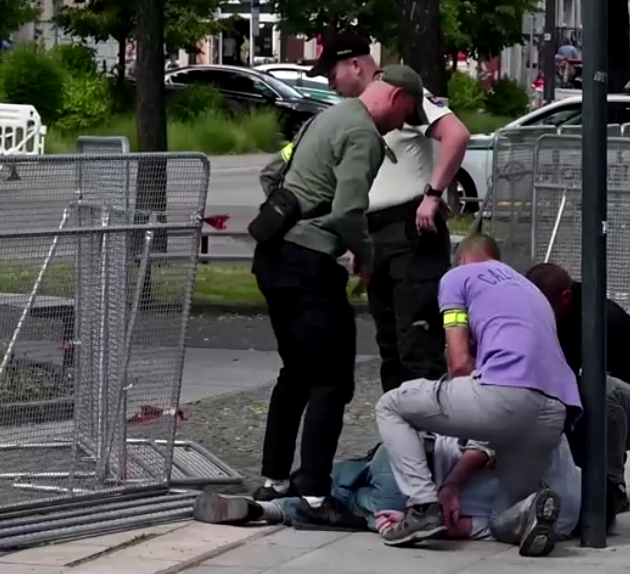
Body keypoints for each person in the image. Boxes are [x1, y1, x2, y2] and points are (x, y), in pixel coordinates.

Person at [250, 65, 426, 523]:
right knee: (332, 380)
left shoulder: (325, 117)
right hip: (309, 265)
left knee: (296, 373)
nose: (406, 124)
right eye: (409, 114)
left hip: (272, 255)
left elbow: (274, 172)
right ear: (398, 98)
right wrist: (364, 255)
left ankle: (273, 480)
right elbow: (350, 211)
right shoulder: (364, 135)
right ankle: (313, 496)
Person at [373, 234, 581, 554]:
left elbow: (459, 362)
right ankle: (532, 511)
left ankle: (422, 508)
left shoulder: (458, 277)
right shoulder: (529, 289)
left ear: (462, 260)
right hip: (554, 408)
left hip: (505, 394)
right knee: (504, 517)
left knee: (391, 405)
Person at [308, 34, 471, 393]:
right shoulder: (353, 114)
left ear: (355, 65)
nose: (329, 83)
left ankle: (429, 441)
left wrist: (433, 194)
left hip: (412, 228)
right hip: (377, 234)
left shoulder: (401, 93)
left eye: (331, 73)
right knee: (390, 348)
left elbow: (457, 135)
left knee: (417, 341)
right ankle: (399, 438)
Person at [192, 433, 582, 550]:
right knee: (355, 507)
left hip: (413, 461)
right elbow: (462, 526)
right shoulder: (559, 519)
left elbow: (483, 448)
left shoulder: (556, 445)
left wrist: (427, 505)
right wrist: (427, 509)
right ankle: (278, 508)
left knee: (350, 490)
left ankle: (277, 504)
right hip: (415, 478)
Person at [525, 262, 630, 522]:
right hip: (615, 406)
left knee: (597, 388)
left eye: (544, 306)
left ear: (565, 298)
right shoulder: (560, 314)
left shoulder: (600, 318)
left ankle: (611, 486)